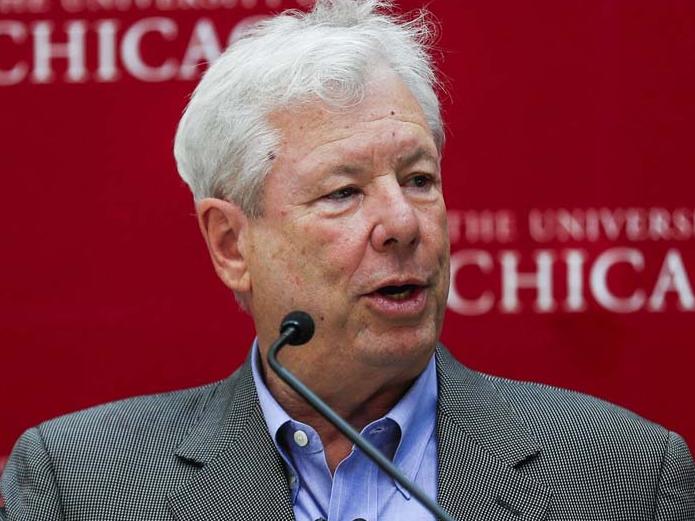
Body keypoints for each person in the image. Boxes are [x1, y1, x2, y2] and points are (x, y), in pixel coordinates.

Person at [2, 1, 694, 520]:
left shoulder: (625, 476)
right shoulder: (79, 484)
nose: (403, 223)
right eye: (343, 192)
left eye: (418, 179)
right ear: (231, 244)